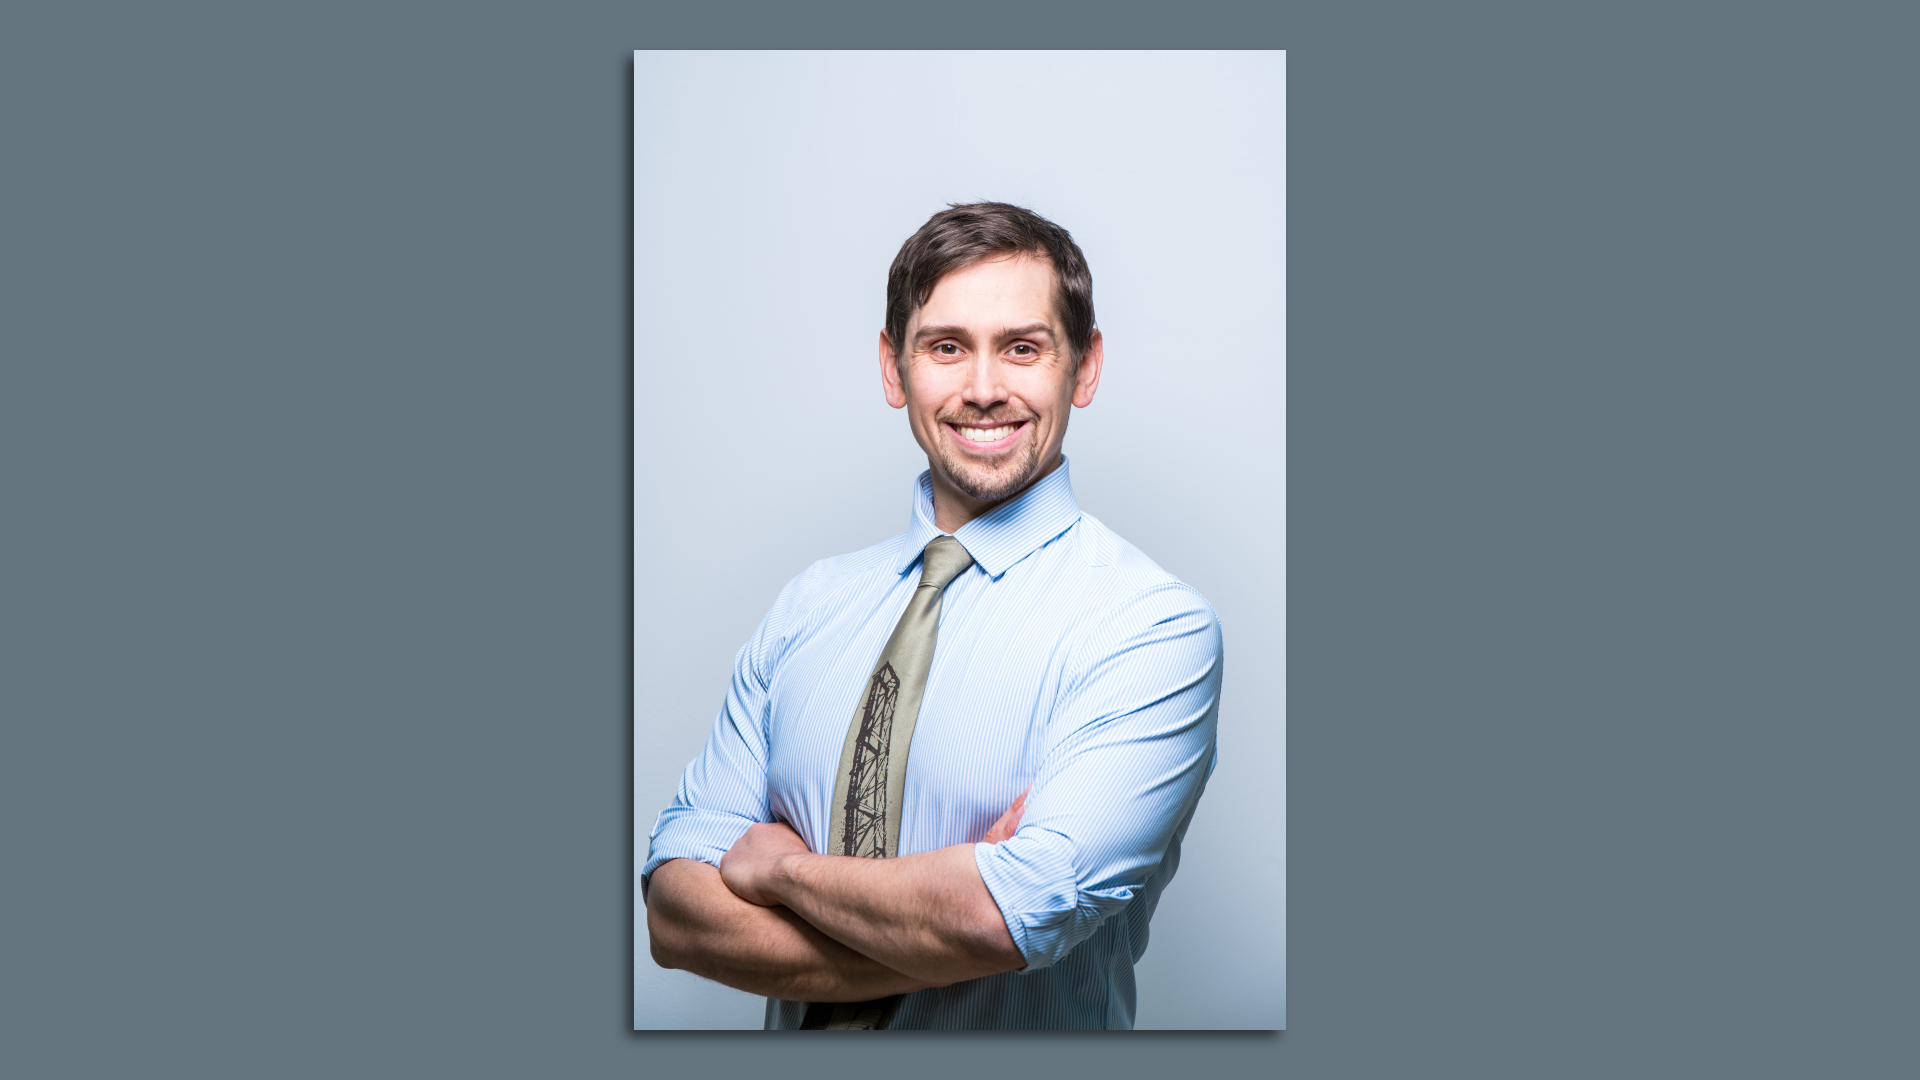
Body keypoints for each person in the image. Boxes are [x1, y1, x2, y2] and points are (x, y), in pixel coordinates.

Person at [642, 202, 1222, 1030]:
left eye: (1023, 348)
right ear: (894, 368)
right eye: (946, 347)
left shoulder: (1150, 629)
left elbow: (1008, 915)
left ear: (1084, 369)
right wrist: (939, 907)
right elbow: (673, 911)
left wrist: (777, 873)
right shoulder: (808, 607)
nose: (984, 390)